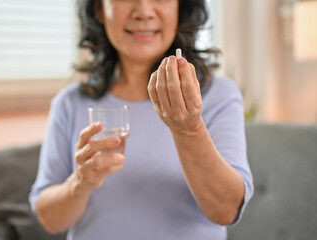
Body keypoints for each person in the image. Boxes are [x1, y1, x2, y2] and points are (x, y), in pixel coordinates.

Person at [29, 0, 254, 239]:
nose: (144, 12)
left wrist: (188, 128)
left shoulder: (218, 95)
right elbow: (49, 219)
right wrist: (80, 182)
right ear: (99, 9)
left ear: (181, 8)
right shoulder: (70, 103)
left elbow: (226, 210)